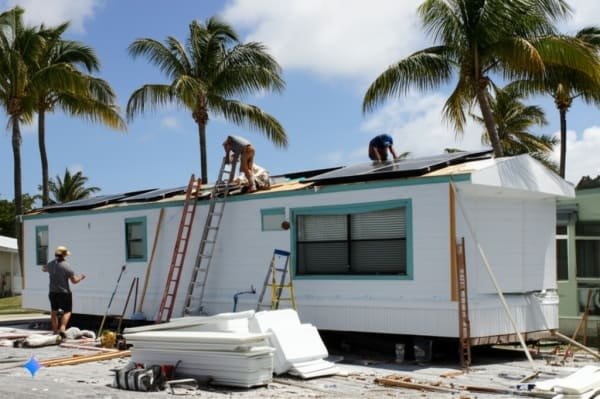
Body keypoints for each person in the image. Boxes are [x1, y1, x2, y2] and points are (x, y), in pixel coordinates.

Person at [42, 246, 86, 336]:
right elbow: (74, 281)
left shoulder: (51, 264)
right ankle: (62, 328)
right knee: (67, 311)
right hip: (64, 293)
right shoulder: (67, 266)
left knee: (54, 312)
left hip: (52, 292)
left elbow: (43, 269)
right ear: (64, 256)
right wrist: (81, 277)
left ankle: (54, 331)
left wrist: (49, 269)